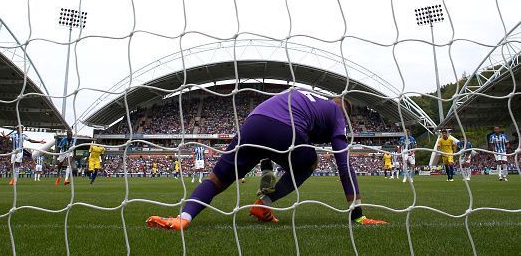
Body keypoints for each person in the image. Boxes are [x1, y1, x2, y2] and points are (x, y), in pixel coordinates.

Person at [146, 90, 387, 230]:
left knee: (216, 180)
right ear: (345, 112)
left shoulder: (310, 100)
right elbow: (343, 163)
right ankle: (265, 202)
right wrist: (358, 214)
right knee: (310, 161)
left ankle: (182, 219)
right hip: (285, 130)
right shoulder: (337, 112)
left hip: (253, 123)